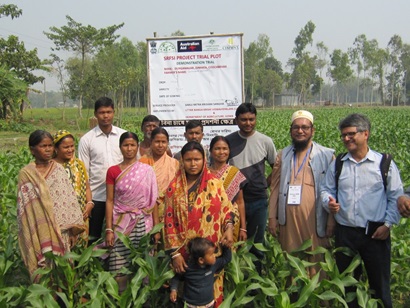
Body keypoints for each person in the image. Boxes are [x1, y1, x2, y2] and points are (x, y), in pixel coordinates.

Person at [320, 113, 403, 308]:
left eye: (351, 134)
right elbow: (326, 189)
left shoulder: (384, 164)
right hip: (346, 233)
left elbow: (395, 196)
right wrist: (328, 202)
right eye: (343, 135)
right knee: (348, 287)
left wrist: (388, 225)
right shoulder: (338, 163)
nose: (346, 139)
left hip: (376, 234)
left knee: (379, 287)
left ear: (365, 134)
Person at [163, 141, 234, 306]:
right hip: (185, 256)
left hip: (211, 254)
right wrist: (175, 254)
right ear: (182, 161)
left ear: (204, 159)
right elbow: (168, 222)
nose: (193, 164)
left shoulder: (214, 184)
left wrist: (229, 229)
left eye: (197, 159)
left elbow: (226, 210)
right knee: (184, 295)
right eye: (188, 160)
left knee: (212, 295)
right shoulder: (174, 188)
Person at [268, 110, 335, 278]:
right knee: (293, 264)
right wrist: (272, 218)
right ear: (291, 130)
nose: (300, 131)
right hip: (288, 222)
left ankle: (321, 302)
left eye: (305, 127)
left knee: (318, 263)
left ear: (313, 130)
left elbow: (334, 191)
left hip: (316, 220)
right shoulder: (283, 155)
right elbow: (275, 188)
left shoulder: (326, 155)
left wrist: (331, 221)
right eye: (296, 127)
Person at [17, 130, 85, 281]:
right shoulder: (26, 174)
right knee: (43, 273)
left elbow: (68, 200)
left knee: (63, 271)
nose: (48, 149)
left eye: (50, 146)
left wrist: (73, 230)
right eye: (43, 146)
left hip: (61, 232)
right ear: (32, 149)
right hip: (38, 231)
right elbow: (25, 208)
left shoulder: (58, 169)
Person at [102, 132, 158, 292]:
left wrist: (156, 229)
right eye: (126, 145)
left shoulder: (147, 170)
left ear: (137, 147)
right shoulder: (113, 171)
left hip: (143, 223)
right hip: (121, 224)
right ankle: (121, 298)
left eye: (132, 145)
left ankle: (143, 301)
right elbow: (110, 201)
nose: (129, 148)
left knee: (143, 264)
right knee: (118, 265)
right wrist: (109, 229)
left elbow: (152, 201)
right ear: (120, 147)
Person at [225, 103, 276, 267]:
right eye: (244, 119)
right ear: (236, 120)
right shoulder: (229, 141)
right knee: (232, 243)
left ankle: (256, 281)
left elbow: (276, 167)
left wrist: (265, 185)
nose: (248, 123)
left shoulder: (265, 141)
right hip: (233, 202)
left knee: (256, 244)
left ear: (256, 119)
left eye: (251, 119)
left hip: (258, 200)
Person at [78, 97, 126, 245]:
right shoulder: (87, 140)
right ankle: (93, 265)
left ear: (114, 112)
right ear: (95, 114)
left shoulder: (123, 136)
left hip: (121, 196)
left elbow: (132, 165)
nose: (106, 116)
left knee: (121, 234)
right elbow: (83, 172)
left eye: (109, 112)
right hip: (97, 196)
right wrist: (88, 200)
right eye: (102, 112)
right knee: (94, 235)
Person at [53, 130, 93, 247]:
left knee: (81, 250)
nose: (70, 150)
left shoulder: (79, 164)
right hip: (61, 218)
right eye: (66, 147)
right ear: (56, 148)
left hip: (82, 216)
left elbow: (86, 186)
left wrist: (89, 203)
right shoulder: (52, 167)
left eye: (72, 146)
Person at [170, 237, 232, 308]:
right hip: (190, 305)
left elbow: (226, 259)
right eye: (211, 254)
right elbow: (176, 278)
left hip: (209, 305)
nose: (214, 256)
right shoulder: (187, 268)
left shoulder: (213, 265)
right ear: (201, 260)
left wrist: (226, 247)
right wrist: (174, 289)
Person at [139, 127, 179, 235]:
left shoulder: (174, 164)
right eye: (157, 142)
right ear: (151, 142)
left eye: (163, 142)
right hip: (147, 210)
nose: (160, 145)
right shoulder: (142, 162)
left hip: (169, 209)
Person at [209, 135, 248, 242]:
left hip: (231, 220)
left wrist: (243, 228)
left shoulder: (234, 173)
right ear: (211, 151)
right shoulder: (205, 173)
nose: (221, 152)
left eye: (224, 149)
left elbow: (240, 202)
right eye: (217, 149)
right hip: (209, 220)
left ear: (229, 151)